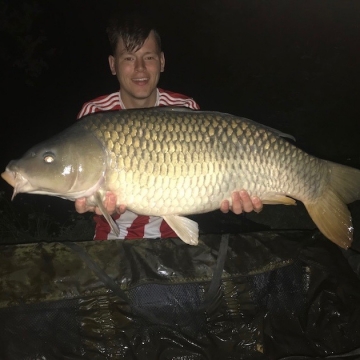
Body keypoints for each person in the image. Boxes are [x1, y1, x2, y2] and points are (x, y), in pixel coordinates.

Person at [75, 12, 263, 240]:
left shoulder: (185, 107)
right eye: (129, 58)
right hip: (113, 239)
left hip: (173, 236)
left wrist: (245, 190)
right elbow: (80, 189)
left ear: (162, 62)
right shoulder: (94, 114)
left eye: (149, 57)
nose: (140, 68)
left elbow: (210, 177)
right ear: (113, 64)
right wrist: (91, 203)